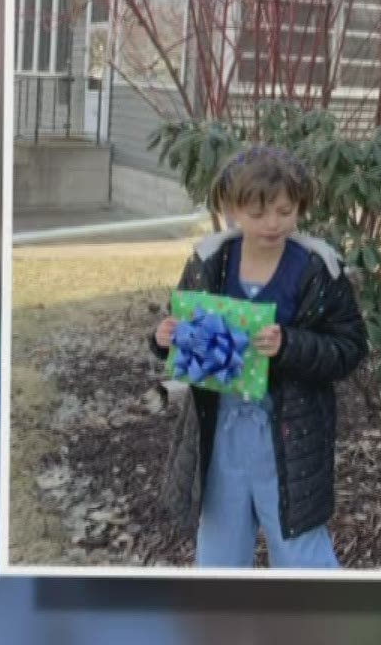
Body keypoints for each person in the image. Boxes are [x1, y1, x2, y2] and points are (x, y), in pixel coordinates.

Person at [150, 146, 367, 569]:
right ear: (231, 209)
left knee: (302, 553)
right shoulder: (212, 260)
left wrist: (290, 346)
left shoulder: (316, 268)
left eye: (285, 211)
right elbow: (185, 330)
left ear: (300, 205)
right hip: (220, 435)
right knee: (218, 553)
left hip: (289, 437)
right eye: (258, 213)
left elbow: (350, 348)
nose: (273, 223)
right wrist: (164, 338)